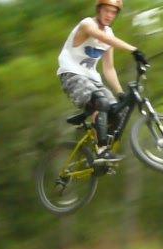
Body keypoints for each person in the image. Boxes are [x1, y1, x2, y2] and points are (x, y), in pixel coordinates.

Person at [57, 0, 148, 164]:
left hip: (92, 79)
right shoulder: (87, 24)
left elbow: (109, 69)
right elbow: (101, 36)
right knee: (101, 102)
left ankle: (99, 150)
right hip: (72, 75)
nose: (109, 15)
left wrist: (120, 93)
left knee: (118, 113)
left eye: (113, 12)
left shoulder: (109, 34)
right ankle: (101, 150)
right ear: (99, 10)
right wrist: (134, 50)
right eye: (106, 11)